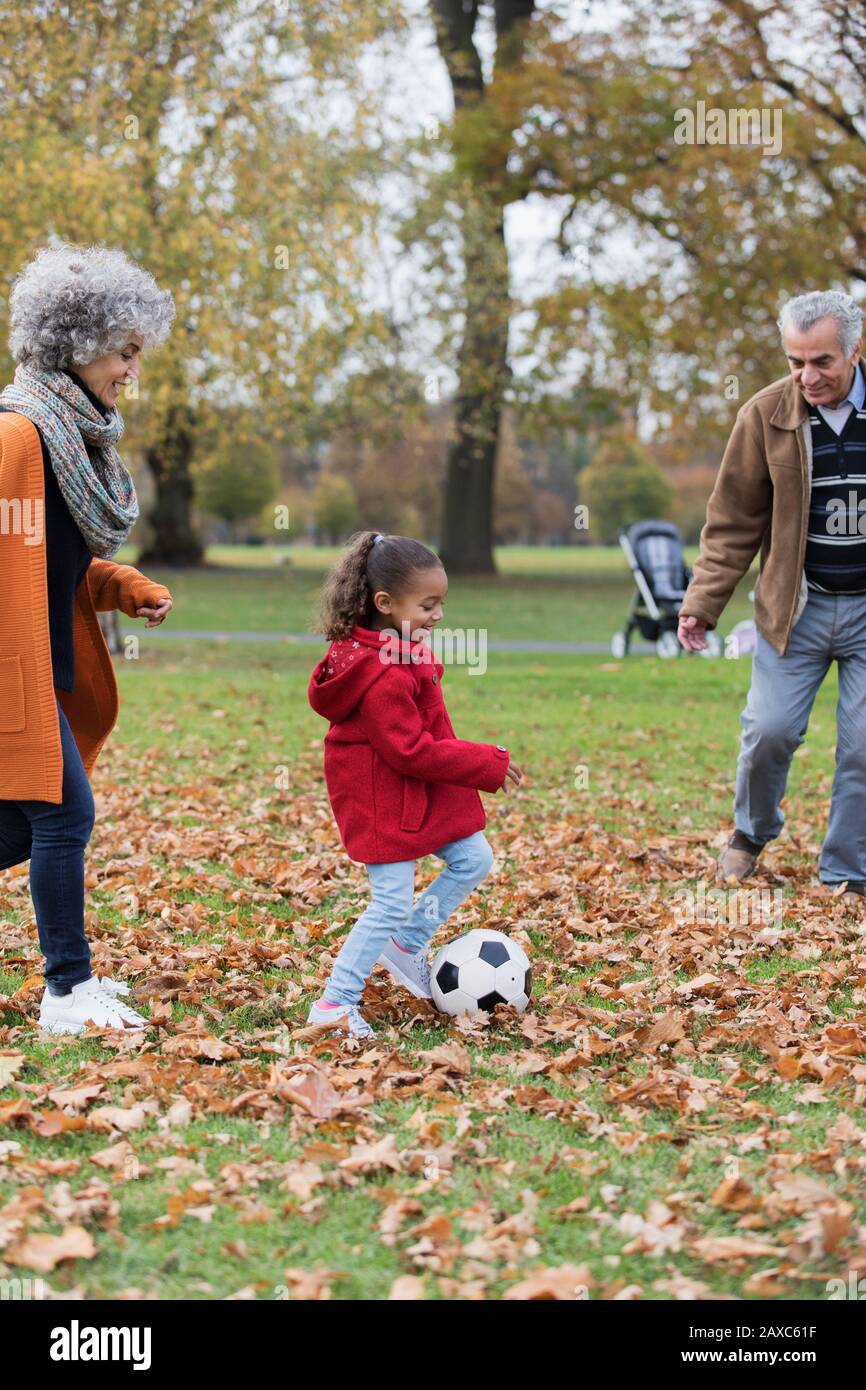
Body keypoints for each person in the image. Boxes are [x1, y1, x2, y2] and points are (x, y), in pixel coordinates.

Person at [0, 242, 175, 1033]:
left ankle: (73, 985)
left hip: (39, 666)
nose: (131, 370)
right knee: (65, 816)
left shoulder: (71, 442)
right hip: (13, 674)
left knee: (23, 825)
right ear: (76, 342)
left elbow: (55, 567)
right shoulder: (18, 439)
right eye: (125, 352)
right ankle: (68, 991)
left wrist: (123, 585)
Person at [678, 289, 866, 898]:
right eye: (795, 362)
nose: (807, 376)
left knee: (863, 745)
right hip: (796, 610)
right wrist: (701, 604)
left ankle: (846, 870)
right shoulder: (763, 416)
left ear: (854, 350)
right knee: (770, 733)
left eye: (822, 362)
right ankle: (750, 833)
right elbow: (732, 522)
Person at [306, 530, 524, 1038]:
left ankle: (405, 945)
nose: (438, 615)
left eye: (440, 603)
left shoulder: (398, 652)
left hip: (412, 792)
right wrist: (485, 762)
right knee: (389, 902)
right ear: (384, 604)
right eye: (427, 605)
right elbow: (411, 750)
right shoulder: (382, 674)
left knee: (473, 858)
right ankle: (335, 1003)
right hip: (382, 800)